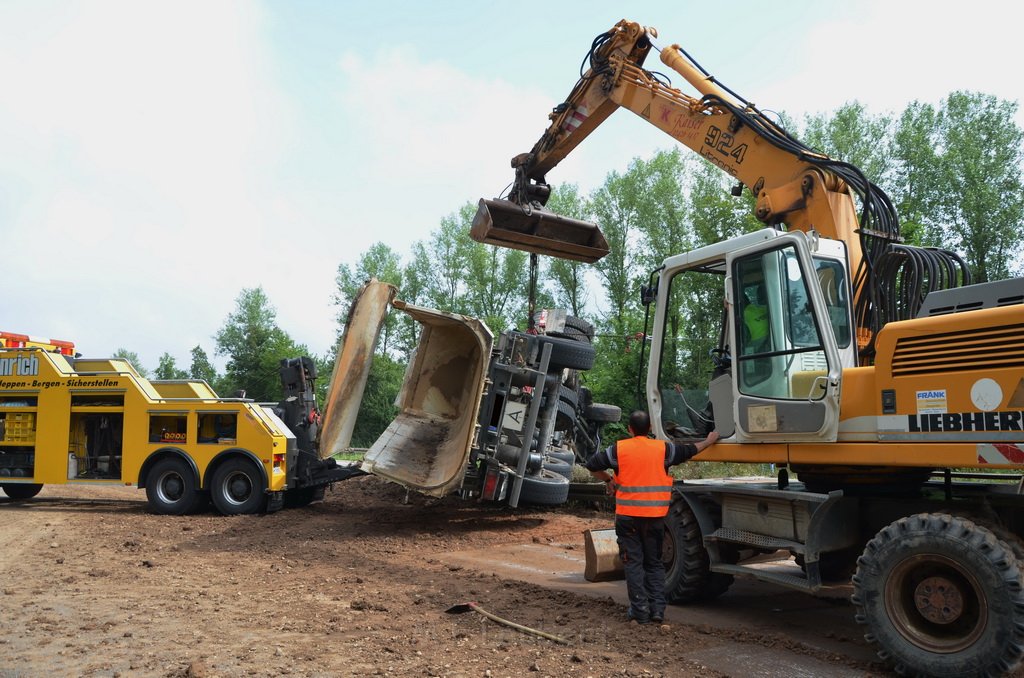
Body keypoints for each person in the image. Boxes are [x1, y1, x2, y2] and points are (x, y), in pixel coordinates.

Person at [586, 410, 719, 624]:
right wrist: (709, 440)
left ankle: (639, 611)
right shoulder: (663, 449)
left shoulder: (619, 449)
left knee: (634, 563)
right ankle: (657, 611)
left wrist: (608, 479)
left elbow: (592, 464)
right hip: (655, 518)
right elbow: (690, 450)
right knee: (655, 564)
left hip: (628, 518)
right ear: (649, 429)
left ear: (629, 429)